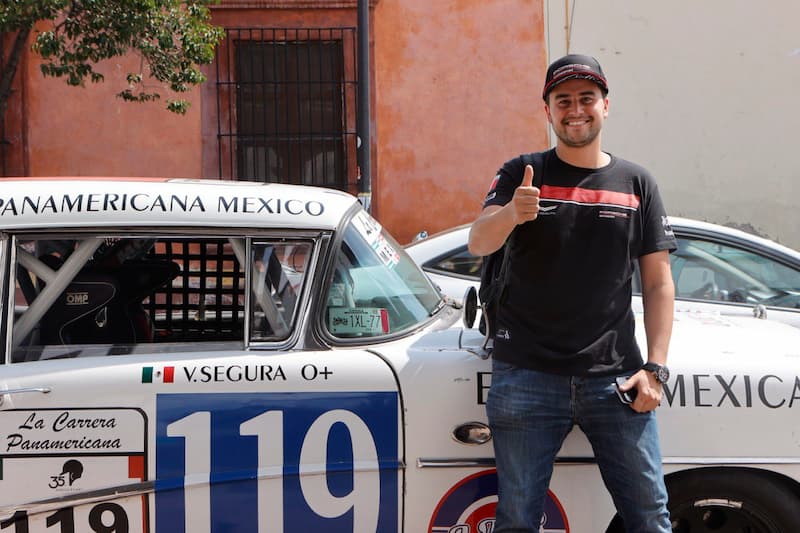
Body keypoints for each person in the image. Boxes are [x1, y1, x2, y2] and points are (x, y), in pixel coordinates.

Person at [468, 54, 677, 532]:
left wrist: (656, 368)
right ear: (548, 111)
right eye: (563, 101)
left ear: (606, 106)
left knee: (649, 518)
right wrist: (512, 213)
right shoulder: (521, 171)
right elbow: (479, 242)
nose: (576, 110)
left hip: (617, 379)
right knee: (517, 520)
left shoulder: (637, 183)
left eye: (587, 98)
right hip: (526, 376)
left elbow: (659, 282)